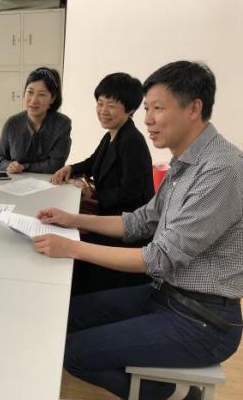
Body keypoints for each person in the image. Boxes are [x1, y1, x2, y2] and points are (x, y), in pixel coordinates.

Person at [33, 61, 243, 400]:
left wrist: (71, 247)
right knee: (66, 317)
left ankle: (179, 395)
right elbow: (140, 220)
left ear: (194, 108)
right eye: (146, 108)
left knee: (74, 353)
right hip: (165, 295)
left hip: (202, 320)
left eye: (157, 108)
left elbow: (160, 257)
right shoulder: (184, 162)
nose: (147, 119)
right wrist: (73, 220)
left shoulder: (222, 170)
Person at [51, 73, 154, 295]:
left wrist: (93, 196)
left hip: (125, 231)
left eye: (111, 105)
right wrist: (71, 168)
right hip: (108, 217)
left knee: (69, 237)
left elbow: (130, 193)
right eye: (100, 103)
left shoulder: (132, 142)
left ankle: (76, 297)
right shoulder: (112, 135)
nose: (103, 111)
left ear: (130, 109)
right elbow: (93, 162)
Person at [0, 67, 72, 174]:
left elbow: (55, 165)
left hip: (48, 182)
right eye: (30, 92)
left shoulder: (62, 124)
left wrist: (23, 167)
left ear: (52, 98)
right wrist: (9, 165)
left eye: (41, 94)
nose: (33, 100)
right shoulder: (12, 123)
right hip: (15, 181)